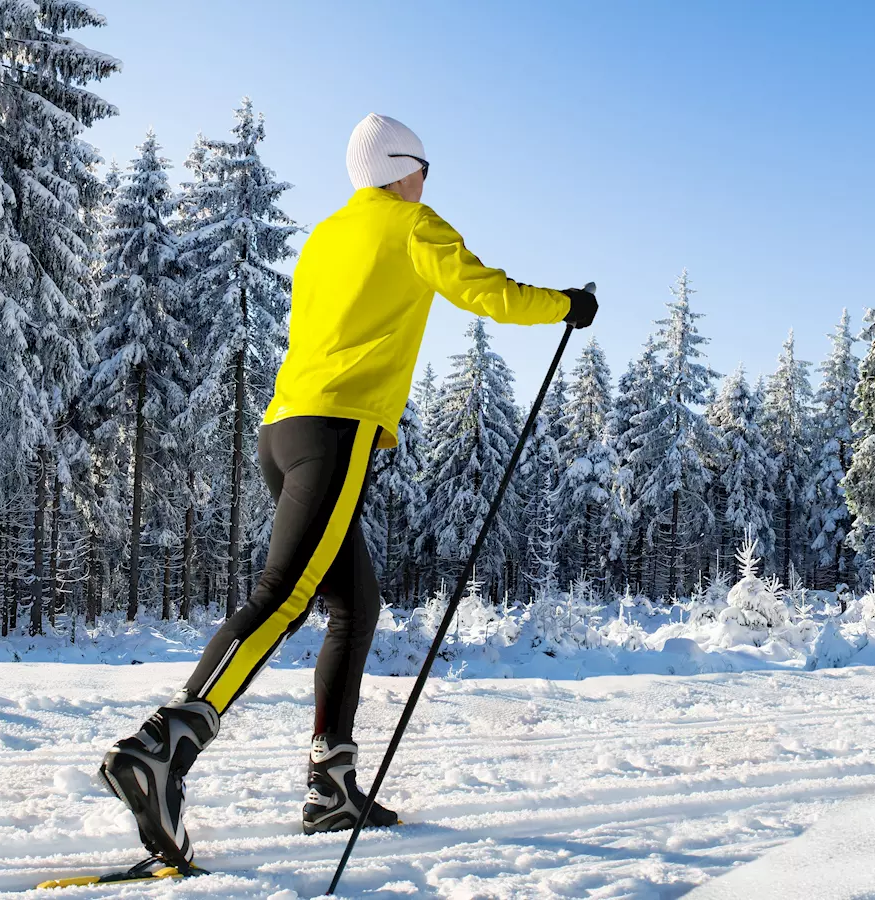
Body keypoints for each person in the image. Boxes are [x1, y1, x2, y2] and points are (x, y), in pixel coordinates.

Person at [99, 113, 598, 867]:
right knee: (284, 594)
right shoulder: (409, 223)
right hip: (336, 434)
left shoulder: (326, 236)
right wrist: (566, 305)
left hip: (282, 432)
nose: (427, 181)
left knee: (354, 604)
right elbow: (484, 292)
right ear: (402, 169)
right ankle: (164, 746)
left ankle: (331, 785)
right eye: (424, 167)